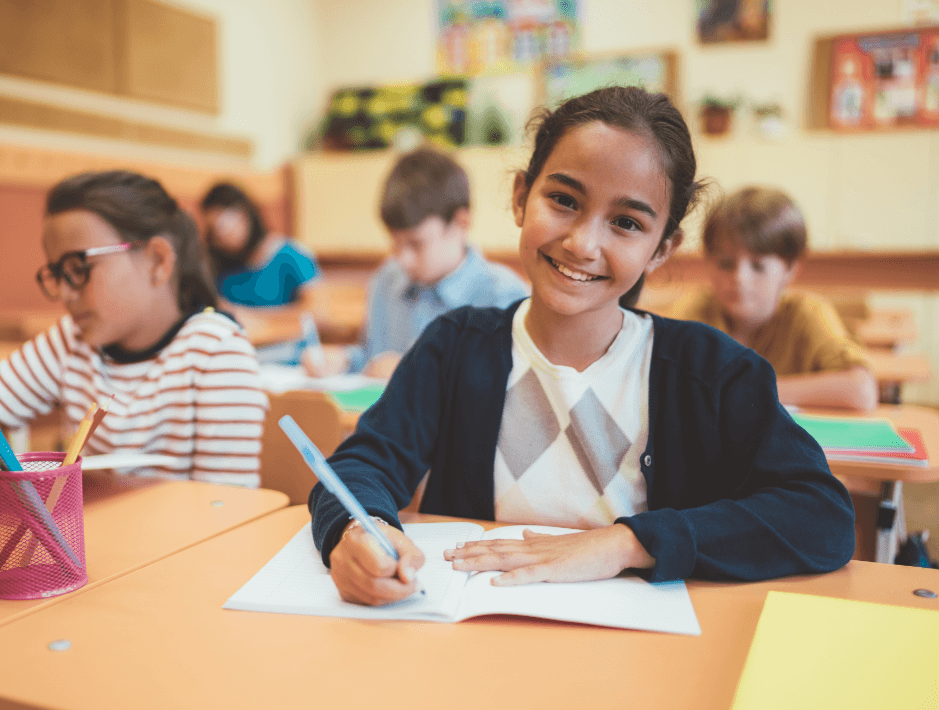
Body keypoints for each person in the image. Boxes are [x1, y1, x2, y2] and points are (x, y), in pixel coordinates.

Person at [308, 87, 855, 606]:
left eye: (626, 222)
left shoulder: (710, 371)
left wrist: (627, 543)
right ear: (521, 197)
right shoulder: (455, 347)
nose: (583, 243)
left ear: (662, 249)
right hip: (475, 637)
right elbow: (361, 464)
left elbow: (820, 515)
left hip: (642, 652)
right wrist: (359, 529)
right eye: (564, 200)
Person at [0, 171, 266, 488]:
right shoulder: (71, 342)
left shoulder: (217, 353)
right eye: (57, 274)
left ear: (158, 261)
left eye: (80, 269)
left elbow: (225, 511)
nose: (66, 294)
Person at [302, 146, 529, 380]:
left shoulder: (502, 296)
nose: (403, 259)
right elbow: (373, 357)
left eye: (416, 244)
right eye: (395, 244)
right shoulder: (386, 280)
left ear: (461, 223)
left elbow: (500, 383)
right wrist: (344, 360)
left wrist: (413, 370)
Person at [670, 187, 878, 411]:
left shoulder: (807, 312)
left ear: (790, 270)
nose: (740, 278)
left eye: (758, 266)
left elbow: (862, 390)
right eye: (726, 264)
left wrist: (744, 389)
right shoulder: (696, 312)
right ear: (708, 263)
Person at [201, 182, 320, 308]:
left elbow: (318, 310)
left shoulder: (291, 254)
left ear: (244, 214)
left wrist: (249, 316)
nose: (221, 238)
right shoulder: (219, 263)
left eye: (224, 226)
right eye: (214, 232)